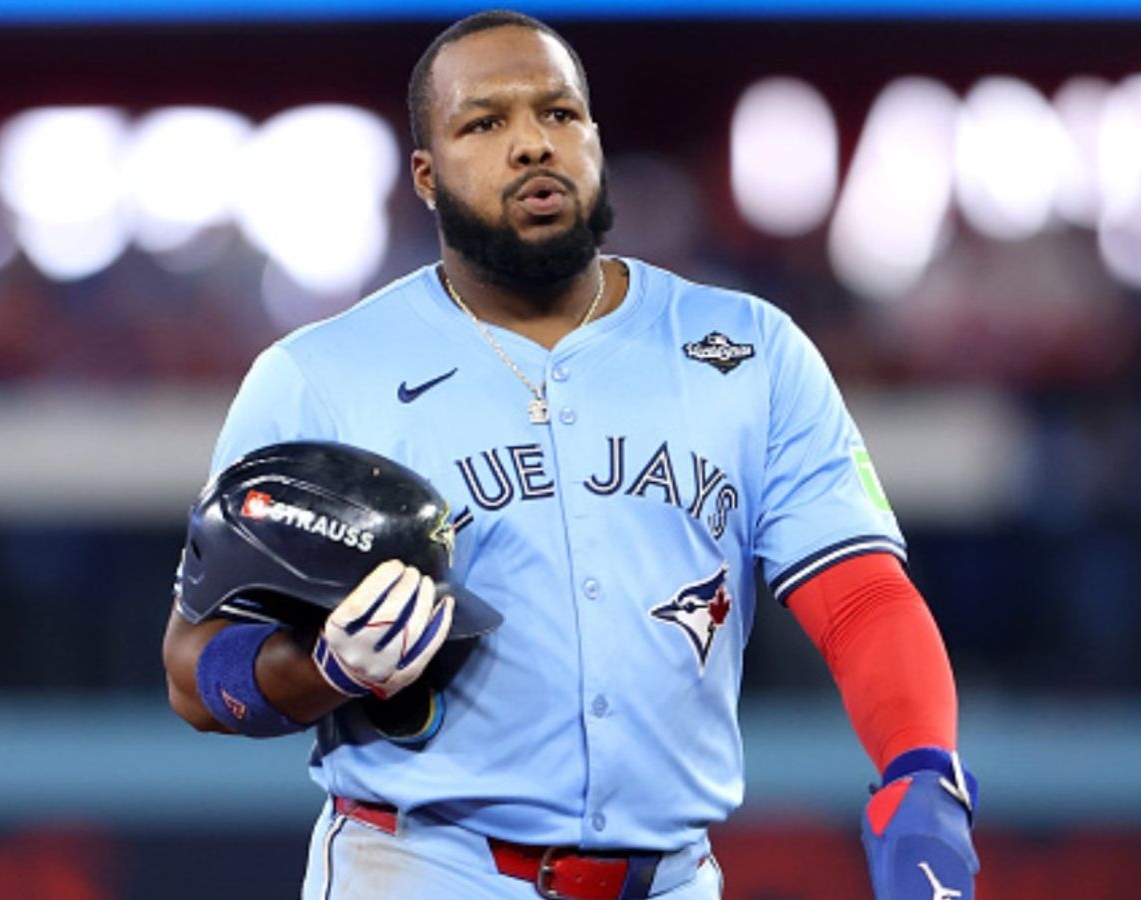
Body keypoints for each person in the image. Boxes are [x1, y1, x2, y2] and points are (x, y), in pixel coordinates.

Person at [161, 10, 978, 899]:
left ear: (595, 139)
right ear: (427, 178)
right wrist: (323, 670)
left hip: (672, 876)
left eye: (559, 114)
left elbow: (860, 597)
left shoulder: (746, 349)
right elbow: (196, 672)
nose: (531, 146)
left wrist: (922, 769)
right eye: (486, 123)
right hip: (422, 866)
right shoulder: (319, 376)